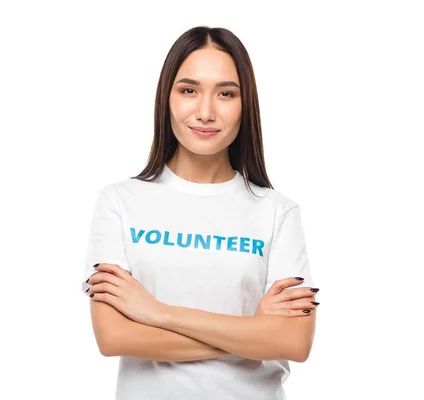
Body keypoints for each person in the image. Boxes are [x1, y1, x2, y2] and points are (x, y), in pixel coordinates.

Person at [80, 25, 319, 400]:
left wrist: (155, 312)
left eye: (226, 93)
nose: (205, 112)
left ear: (246, 104)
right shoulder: (120, 202)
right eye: (189, 90)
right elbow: (114, 337)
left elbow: (293, 342)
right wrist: (254, 332)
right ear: (167, 98)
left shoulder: (277, 212)